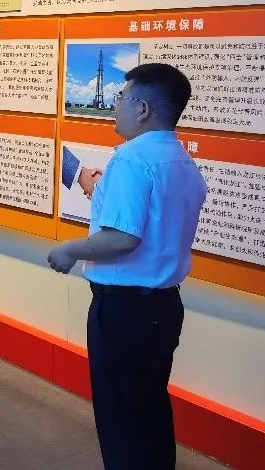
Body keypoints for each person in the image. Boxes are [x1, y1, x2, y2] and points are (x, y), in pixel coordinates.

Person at [47, 63, 208, 470]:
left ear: (143, 109)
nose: (115, 105)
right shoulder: (181, 161)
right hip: (162, 307)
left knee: (121, 419)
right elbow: (152, 224)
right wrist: (100, 189)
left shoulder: (132, 160)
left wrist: (69, 250)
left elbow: (123, 238)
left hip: (124, 312)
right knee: (148, 411)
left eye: (121, 97)